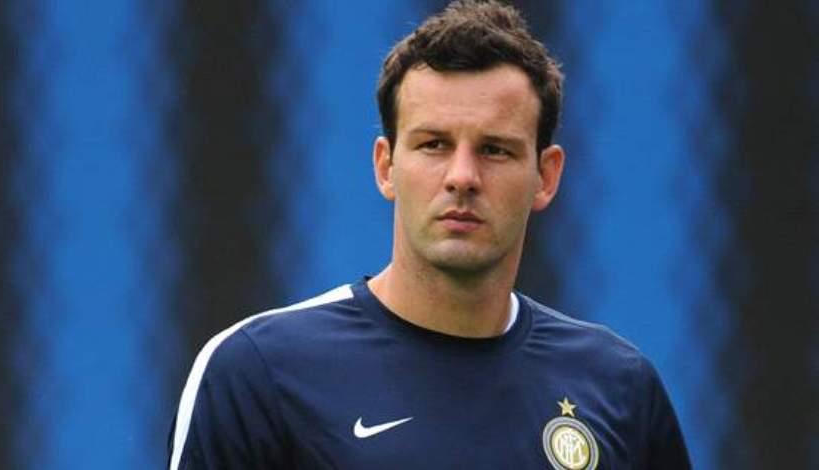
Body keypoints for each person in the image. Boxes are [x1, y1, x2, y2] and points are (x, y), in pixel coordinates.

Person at [167, 1, 691, 468]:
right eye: (434, 144)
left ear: (546, 176)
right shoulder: (259, 373)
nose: (462, 176)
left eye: (495, 150)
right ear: (385, 166)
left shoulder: (619, 387)